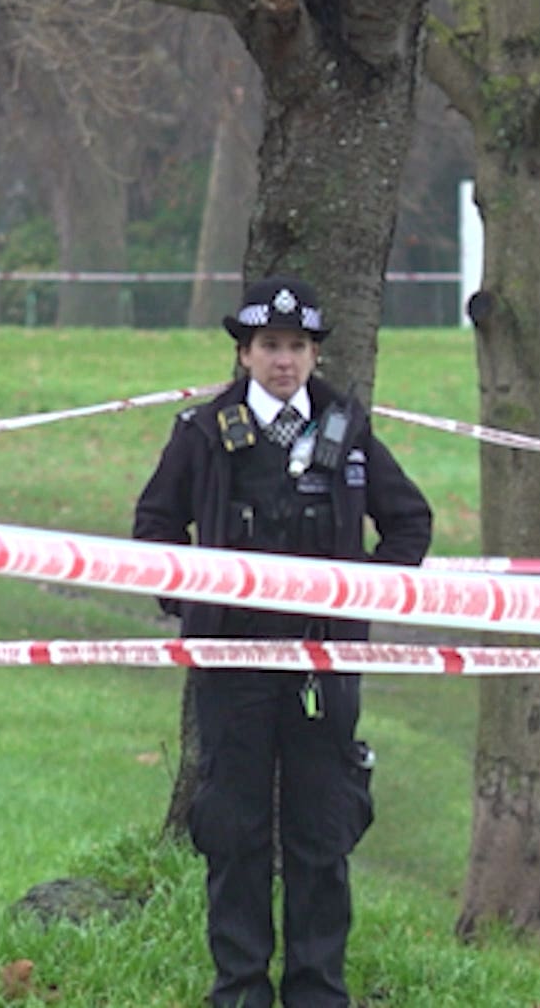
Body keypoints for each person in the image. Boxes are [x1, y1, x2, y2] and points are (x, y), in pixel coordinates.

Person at [134, 275, 432, 1007]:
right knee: (233, 834)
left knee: (321, 837)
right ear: (245, 353)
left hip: (320, 669)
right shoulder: (203, 433)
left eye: (298, 347)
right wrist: (192, 602)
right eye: (270, 346)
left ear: (314, 355)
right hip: (232, 666)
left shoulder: (347, 429)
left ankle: (318, 991)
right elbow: (155, 529)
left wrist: (358, 597)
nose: (284, 361)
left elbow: (410, 523)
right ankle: (238, 990)